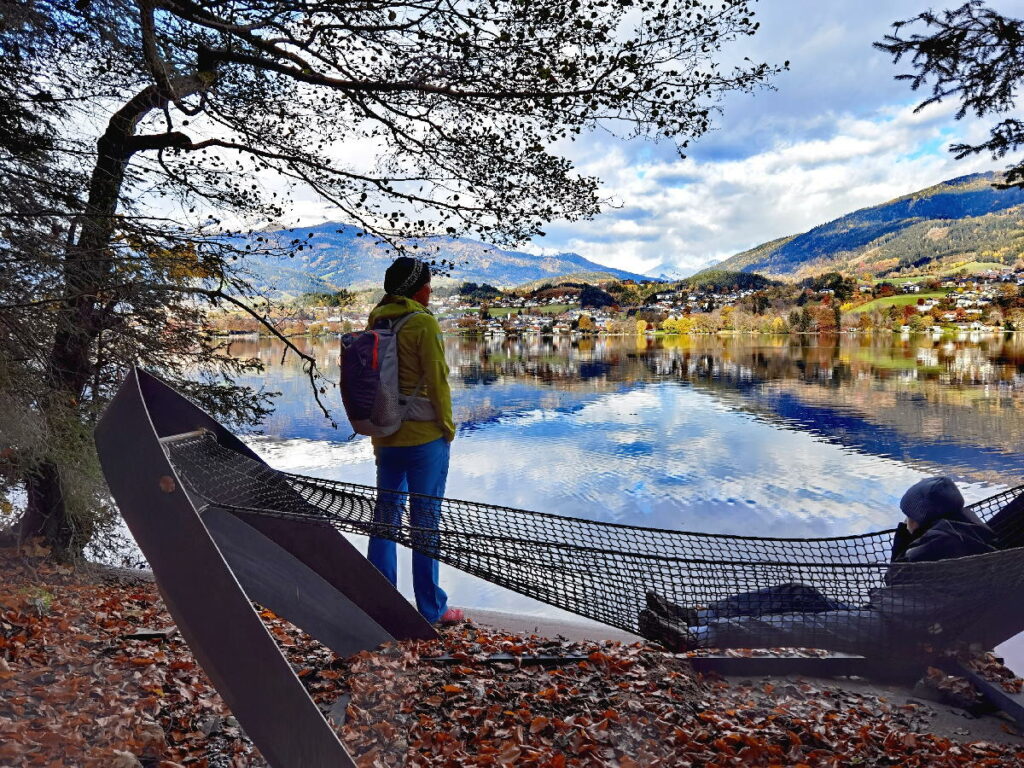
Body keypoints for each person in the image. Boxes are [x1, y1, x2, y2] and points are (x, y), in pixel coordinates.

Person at [639, 476, 998, 653]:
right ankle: (697, 616)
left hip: (901, 632)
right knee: (796, 594)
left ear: (923, 515)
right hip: (896, 616)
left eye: (909, 515)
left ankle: (696, 637)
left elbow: (896, 577)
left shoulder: (944, 541)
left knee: (795, 624)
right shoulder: (960, 530)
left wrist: (905, 538)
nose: (905, 520)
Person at [365, 256, 462, 625]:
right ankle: (432, 609)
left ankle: (380, 603)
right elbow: (437, 379)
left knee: (385, 517)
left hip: (386, 434)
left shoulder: (378, 319)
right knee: (425, 521)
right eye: (427, 283)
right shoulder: (423, 323)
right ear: (415, 288)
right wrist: (448, 428)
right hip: (424, 437)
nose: (431, 289)